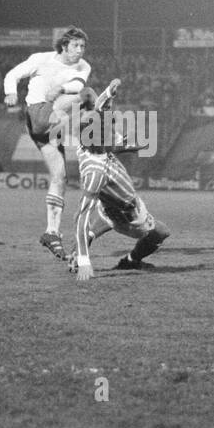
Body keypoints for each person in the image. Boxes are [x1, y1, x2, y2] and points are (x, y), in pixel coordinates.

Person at [64, 84, 171, 281]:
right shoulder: (94, 172)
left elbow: (99, 108)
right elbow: (80, 216)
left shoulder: (88, 144)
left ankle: (79, 249)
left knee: (103, 217)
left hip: (109, 208)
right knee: (161, 232)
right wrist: (86, 262)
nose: (110, 132)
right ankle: (129, 261)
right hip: (129, 216)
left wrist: (108, 93)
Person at [2, 27, 91, 259]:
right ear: (64, 46)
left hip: (49, 127)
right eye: (75, 46)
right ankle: (90, 129)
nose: (80, 51)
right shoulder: (41, 59)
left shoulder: (84, 66)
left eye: (83, 46)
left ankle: (51, 233)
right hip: (37, 113)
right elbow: (12, 74)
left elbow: (78, 85)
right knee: (88, 97)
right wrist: (11, 92)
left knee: (60, 176)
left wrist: (60, 88)